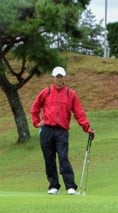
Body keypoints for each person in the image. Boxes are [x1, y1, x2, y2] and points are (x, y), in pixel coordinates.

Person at [29, 66, 95, 195]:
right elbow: (34, 109)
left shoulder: (71, 94)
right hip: (46, 130)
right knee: (49, 159)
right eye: (57, 76)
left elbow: (79, 112)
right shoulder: (46, 92)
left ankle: (70, 186)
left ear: (64, 77)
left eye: (61, 76)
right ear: (53, 78)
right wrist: (37, 123)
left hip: (62, 131)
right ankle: (54, 185)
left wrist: (87, 128)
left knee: (63, 157)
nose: (59, 79)